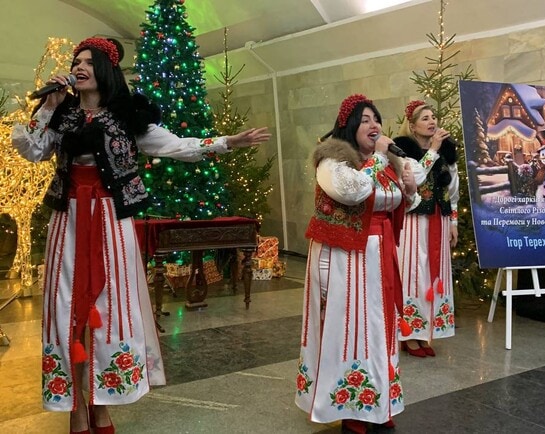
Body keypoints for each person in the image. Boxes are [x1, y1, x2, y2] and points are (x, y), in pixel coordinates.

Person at [12, 37, 270, 434]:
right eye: (76, 61)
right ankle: (75, 407)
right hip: (70, 221)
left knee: (112, 305)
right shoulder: (59, 114)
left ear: (106, 69)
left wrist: (225, 143)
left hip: (112, 220)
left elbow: (175, 146)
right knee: (67, 308)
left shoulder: (127, 116)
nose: (79, 67)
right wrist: (46, 106)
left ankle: (102, 403)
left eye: (87, 62)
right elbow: (31, 149)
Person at [295, 94, 420, 434]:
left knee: (379, 330)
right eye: (365, 120)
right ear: (350, 127)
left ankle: (378, 404)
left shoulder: (383, 163)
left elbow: (395, 200)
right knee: (351, 329)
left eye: (376, 118)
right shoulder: (333, 160)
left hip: (379, 256)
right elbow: (352, 191)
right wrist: (380, 159)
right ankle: (353, 409)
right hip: (346, 258)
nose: (374, 125)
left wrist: (408, 192)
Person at [393, 100, 458, 358]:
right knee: (413, 273)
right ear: (412, 125)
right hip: (413, 220)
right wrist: (432, 150)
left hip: (438, 219)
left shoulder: (445, 151)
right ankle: (408, 333)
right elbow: (415, 178)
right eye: (425, 118)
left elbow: (452, 190)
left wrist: (453, 221)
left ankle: (425, 331)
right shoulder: (402, 150)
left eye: (434, 117)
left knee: (434, 274)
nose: (432, 122)